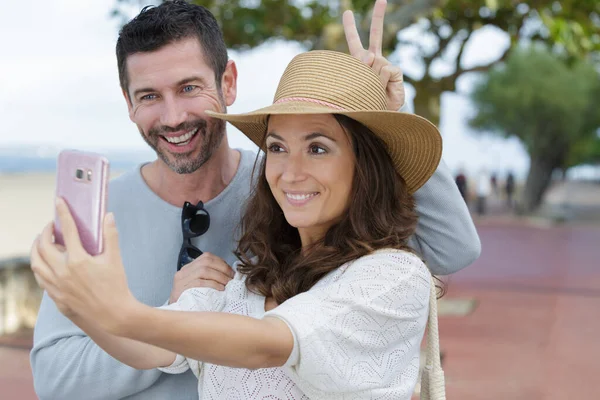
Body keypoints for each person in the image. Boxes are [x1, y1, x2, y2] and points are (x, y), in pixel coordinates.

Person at [30, 1, 480, 399]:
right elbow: (61, 375)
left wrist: (385, 117)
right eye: (149, 96)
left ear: (228, 82)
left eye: (189, 88)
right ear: (128, 104)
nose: (173, 117)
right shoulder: (249, 272)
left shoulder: (369, 260)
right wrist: (91, 306)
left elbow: (452, 248)